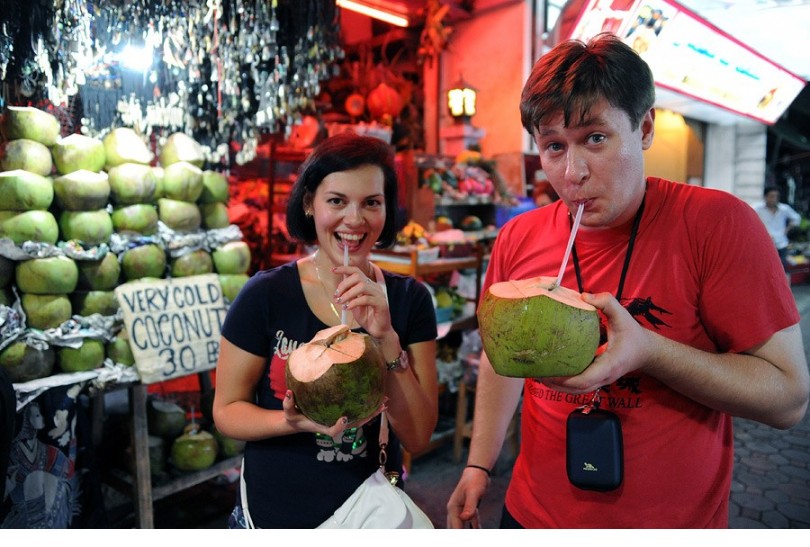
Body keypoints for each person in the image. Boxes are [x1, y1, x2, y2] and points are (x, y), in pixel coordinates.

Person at [446, 33, 810, 529]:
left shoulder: (717, 225)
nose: (572, 172)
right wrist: (479, 464)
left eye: (595, 138)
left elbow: (788, 399)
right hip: (533, 513)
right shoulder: (518, 237)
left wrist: (650, 351)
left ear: (644, 129)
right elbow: (501, 359)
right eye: (554, 146)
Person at [213, 132, 438, 528]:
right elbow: (227, 412)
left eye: (371, 203)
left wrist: (386, 339)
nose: (355, 219)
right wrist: (292, 421)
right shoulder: (265, 295)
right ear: (309, 204)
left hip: (368, 513)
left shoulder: (409, 300)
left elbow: (418, 437)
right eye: (337, 201)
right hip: (271, 514)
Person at [754, 185, 802, 272]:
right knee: (763, 268)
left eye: (776, 196)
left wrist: (787, 229)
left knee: (782, 269)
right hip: (764, 243)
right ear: (765, 197)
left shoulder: (784, 209)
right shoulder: (757, 208)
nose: (774, 199)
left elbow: (796, 218)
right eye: (771, 196)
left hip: (781, 243)